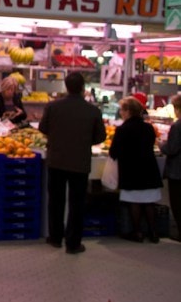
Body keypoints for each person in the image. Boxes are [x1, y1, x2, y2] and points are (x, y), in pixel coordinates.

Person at [38, 71, 106, 254]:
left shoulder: (53, 107)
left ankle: (55, 238)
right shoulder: (93, 111)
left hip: (57, 159)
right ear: (83, 88)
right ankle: (73, 243)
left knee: (56, 200)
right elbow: (101, 136)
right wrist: (83, 141)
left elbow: (43, 128)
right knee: (77, 203)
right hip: (80, 162)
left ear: (66, 87)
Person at [109, 96, 164, 243]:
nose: (121, 112)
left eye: (122, 109)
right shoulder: (148, 128)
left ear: (128, 111)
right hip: (149, 169)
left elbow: (114, 152)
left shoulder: (122, 129)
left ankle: (137, 232)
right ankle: (153, 233)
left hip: (131, 171)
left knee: (134, 202)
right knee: (149, 202)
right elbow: (152, 144)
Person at [159, 94, 181, 241]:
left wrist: (161, 145)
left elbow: (172, 148)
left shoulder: (177, 126)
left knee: (177, 203)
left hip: (177, 171)